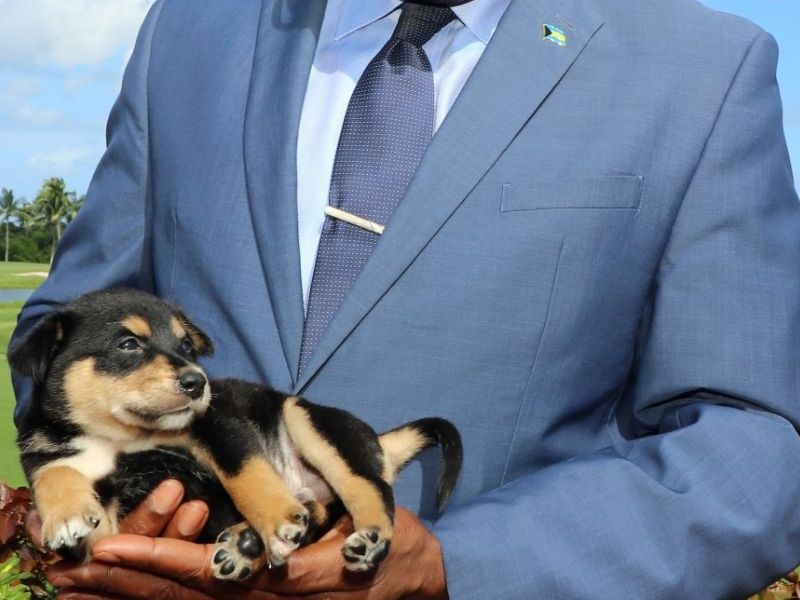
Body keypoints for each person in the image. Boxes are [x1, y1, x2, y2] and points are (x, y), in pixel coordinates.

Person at [11, 0, 800, 598]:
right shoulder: (188, 30)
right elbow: (61, 334)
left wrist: (461, 567)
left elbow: (754, 444)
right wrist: (116, 500)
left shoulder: (704, 70)